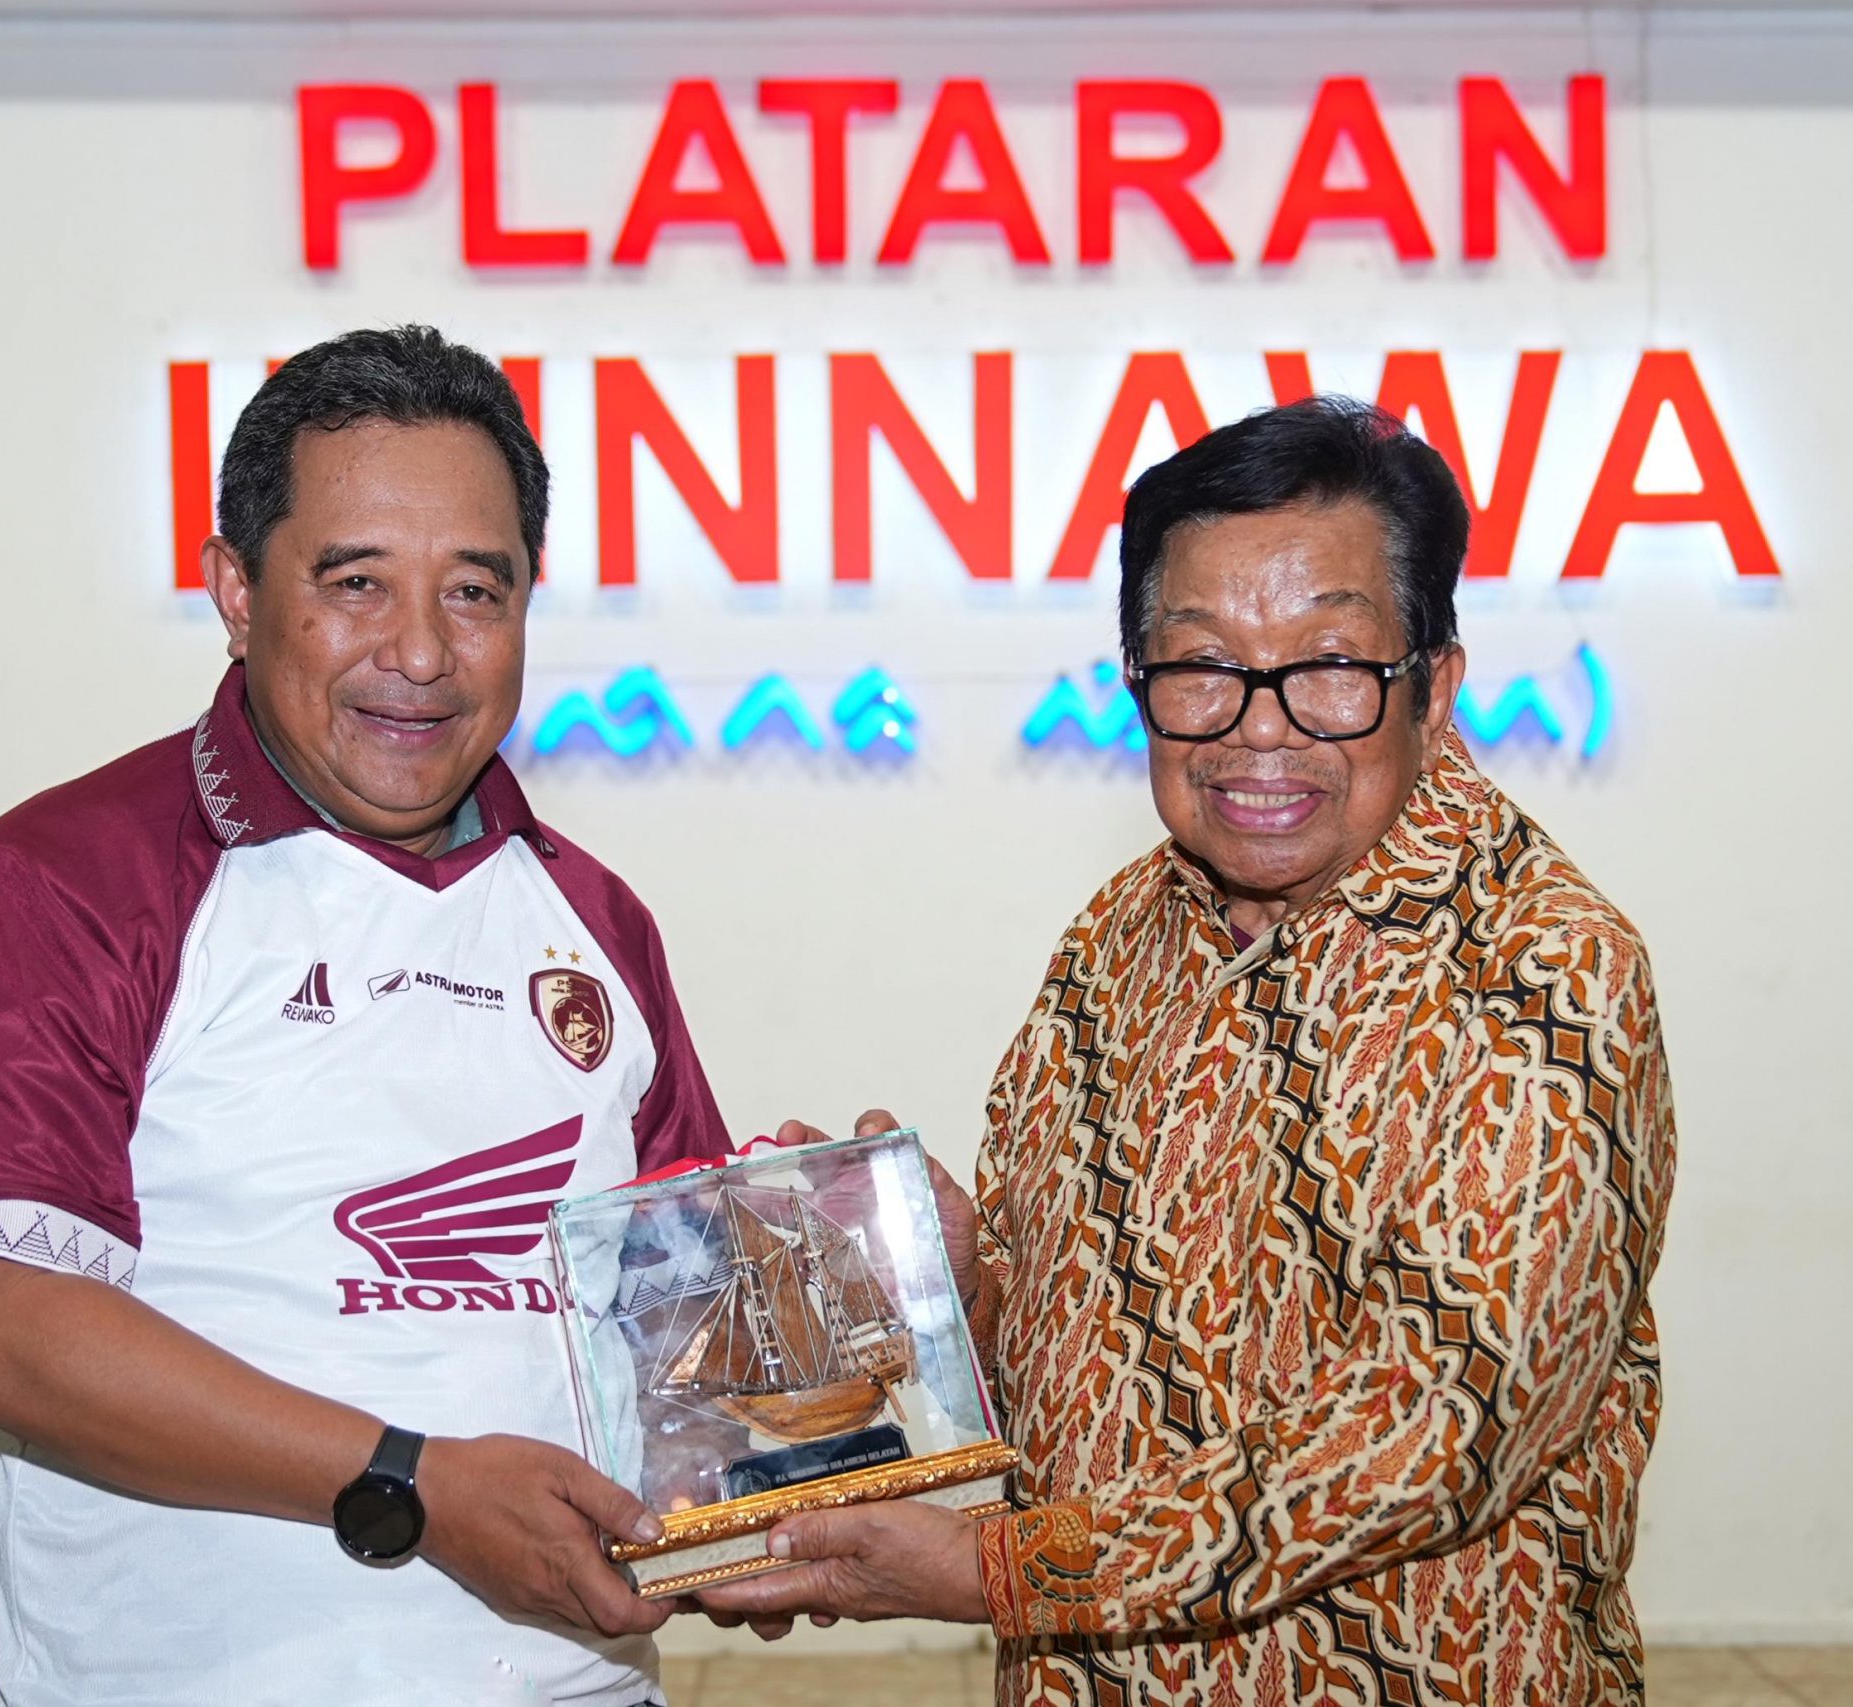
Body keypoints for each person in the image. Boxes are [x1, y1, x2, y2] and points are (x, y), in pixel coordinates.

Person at [699, 399, 1678, 1705]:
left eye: (1330, 664)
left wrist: (1000, 1572)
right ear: (1139, 684)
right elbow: (1073, 1377)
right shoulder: (1116, 938)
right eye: (1202, 665)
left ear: (1435, 687)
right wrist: (952, 1287)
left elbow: (1445, 1426)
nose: (1259, 728)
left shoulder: (1544, 970)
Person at [0, 326, 728, 1707]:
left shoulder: (596, 920)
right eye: (355, 583)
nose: (422, 653)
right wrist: (414, 1485)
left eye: (476, 591)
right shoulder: (57, 883)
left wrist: (867, 1282)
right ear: (235, 588)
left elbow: (686, 1336)